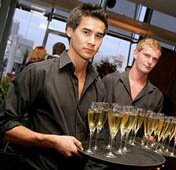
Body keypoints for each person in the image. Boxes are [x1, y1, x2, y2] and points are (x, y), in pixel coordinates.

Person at [0, 3, 108, 170]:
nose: (92, 42)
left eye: (99, 36)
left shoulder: (99, 86)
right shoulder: (38, 72)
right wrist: (51, 141)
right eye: (86, 32)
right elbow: (4, 125)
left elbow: (96, 140)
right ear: (70, 31)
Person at [102, 38, 164, 112]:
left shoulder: (156, 96)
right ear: (135, 54)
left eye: (155, 59)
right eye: (147, 55)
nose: (150, 62)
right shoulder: (110, 81)